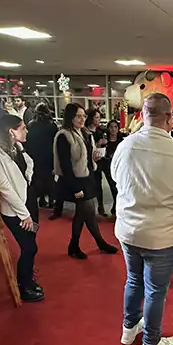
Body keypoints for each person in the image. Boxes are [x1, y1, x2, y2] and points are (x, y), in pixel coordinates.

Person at [111, 93, 173, 345]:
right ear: (170, 118)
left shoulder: (125, 146)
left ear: (142, 115)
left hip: (128, 231)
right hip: (162, 235)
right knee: (155, 291)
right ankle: (151, 343)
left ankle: (128, 330)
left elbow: (115, 179)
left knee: (133, 280)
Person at [54, 103, 118, 259]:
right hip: (75, 180)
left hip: (88, 176)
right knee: (87, 212)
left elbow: (87, 156)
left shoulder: (85, 133)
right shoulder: (64, 135)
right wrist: (75, 188)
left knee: (86, 213)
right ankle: (97, 242)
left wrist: (94, 157)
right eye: (78, 116)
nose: (82, 119)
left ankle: (75, 245)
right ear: (70, 117)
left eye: (83, 115)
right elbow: (65, 165)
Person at [0, 114, 43, 303]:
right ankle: (23, 286)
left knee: (31, 244)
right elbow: (5, 187)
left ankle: (28, 279)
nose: (26, 130)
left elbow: (28, 164)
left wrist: (29, 178)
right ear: (11, 131)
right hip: (15, 210)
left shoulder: (17, 147)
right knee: (29, 247)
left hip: (28, 200)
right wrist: (24, 215)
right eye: (22, 128)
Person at [25, 103, 58, 208]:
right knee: (49, 179)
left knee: (38, 178)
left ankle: (41, 199)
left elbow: (27, 141)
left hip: (35, 155)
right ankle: (52, 200)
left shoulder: (31, 125)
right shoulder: (52, 125)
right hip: (48, 155)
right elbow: (55, 142)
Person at [85, 108, 109, 216]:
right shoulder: (84, 132)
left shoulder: (100, 132)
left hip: (99, 161)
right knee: (89, 185)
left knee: (98, 184)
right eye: (97, 117)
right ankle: (88, 208)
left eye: (99, 117)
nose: (99, 120)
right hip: (87, 162)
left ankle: (100, 206)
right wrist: (98, 144)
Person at [101, 119, 125, 217]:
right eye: (111, 127)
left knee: (119, 189)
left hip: (120, 168)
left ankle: (116, 208)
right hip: (108, 168)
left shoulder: (122, 141)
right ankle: (115, 207)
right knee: (113, 188)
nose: (113, 129)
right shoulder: (105, 142)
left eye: (115, 127)